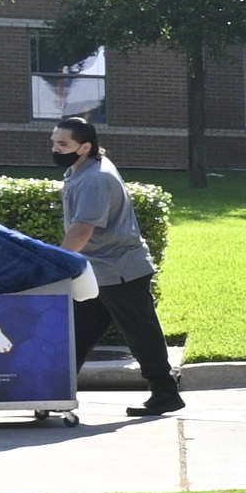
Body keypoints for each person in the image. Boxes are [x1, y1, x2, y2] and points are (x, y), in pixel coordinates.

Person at [49, 115, 180, 417]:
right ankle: (56, 390)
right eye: (53, 142)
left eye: (62, 143)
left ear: (84, 147)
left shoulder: (95, 178)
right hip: (99, 270)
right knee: (78, 331)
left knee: (139, 332)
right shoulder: (81, 169)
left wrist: (55, 263)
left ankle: (165, 393)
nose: (55, 148)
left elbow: (82, 230)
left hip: (119, 270)